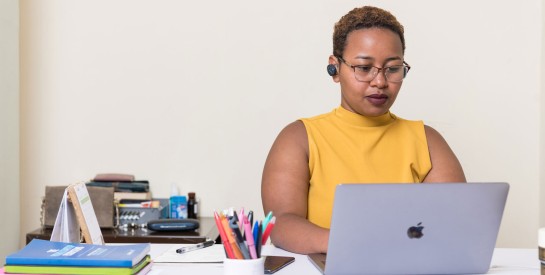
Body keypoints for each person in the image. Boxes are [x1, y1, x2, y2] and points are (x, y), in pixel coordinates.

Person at [261, 6, 466, 254]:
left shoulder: (427, 141)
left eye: (392, 68)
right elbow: (282, 223)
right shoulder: (299, 138)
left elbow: (455, 223)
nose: (380, 81)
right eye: (363, 67)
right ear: (334, 68)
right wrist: (354, 245)